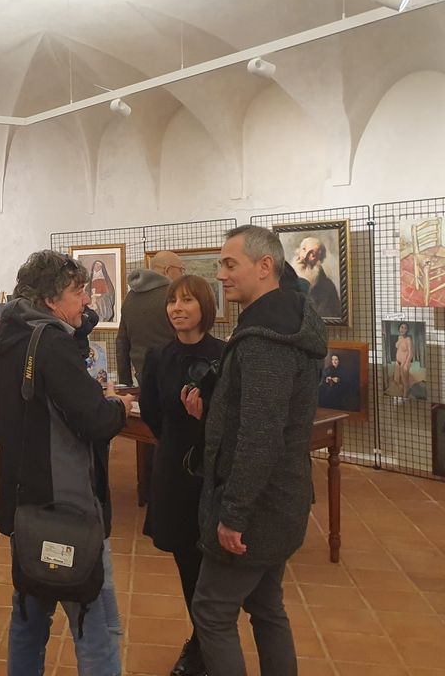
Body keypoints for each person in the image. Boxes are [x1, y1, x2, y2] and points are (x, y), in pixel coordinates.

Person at [0, 250, 134, 676]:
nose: (86, 299)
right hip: (67, 505)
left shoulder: (8, 337)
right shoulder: (51, 344)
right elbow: (95, 420)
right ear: (50, 299)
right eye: (77, 291)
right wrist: (118, 406)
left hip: (24, 502)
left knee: (29, 619)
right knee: (96, 625)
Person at [192, 226, 327, 676]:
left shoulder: (267, 339)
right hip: (280, 498)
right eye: (220, 265)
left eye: (230, 264)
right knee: (267, 607)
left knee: (212, 611)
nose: (221, 275)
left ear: (265, 266)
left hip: (259, 506)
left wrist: (234, 513)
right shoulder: (283, 323)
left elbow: (260, 435)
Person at [138, 275, 224, 676]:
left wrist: (203, 422)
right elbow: (153, 414)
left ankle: (210, 639)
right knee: (186, 561)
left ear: (204, 307)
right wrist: (179, 440)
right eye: (172, 301)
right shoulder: (158, 357)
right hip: (174, 470)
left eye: (187, 300)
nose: (177, 308)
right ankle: (201, 641)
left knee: (214, 565)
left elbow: (232, 420)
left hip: (213, 471)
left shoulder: (225, 355)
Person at [115, 250, 183, 386]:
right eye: (181, 270)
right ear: (167, 270)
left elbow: (121, 342)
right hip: (175, 372)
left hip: (142, 375)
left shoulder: (130, 297)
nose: (182, 275)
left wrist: (125, 382)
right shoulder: (173, 295)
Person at [289, 236, 340, 318]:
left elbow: (328, 316)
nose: (305, 256)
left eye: (313, 254)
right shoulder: (286, 281)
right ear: (298, 251)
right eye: (304, 249)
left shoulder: (328, 287)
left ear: (319, 260)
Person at [390, 323, 414, 396]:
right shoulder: (399, 338)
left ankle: (405, 395)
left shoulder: (408, 339)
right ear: (399, 328)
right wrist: (399, 339)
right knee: (396, 379)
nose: (403, 329)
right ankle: (403, 389)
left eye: (405, 328)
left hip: (404, 363)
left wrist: (406, 364)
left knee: (404, 381)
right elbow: (397, 347)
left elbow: (410, 353)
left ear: (407, 330)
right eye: (402, 327)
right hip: (398, 362)